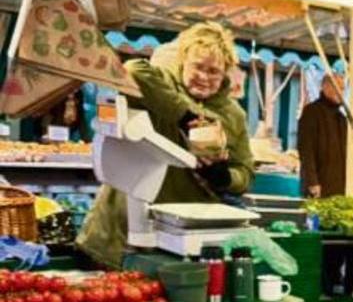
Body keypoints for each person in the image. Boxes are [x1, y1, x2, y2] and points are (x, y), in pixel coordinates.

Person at [77, 22, 253, 268]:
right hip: (121, 230)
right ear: (183, 62)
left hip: (179, 237)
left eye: (213, 71)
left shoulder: (233, 115)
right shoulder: (161, 84)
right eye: (197, 67)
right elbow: (133, 70)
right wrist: (185, 116)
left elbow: (244, 173)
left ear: (225, 73)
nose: (204, 77)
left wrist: (223, 178)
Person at [298, 72, 348, 198]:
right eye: (337, 87)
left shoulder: (342, 118)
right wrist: (312, 182)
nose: (340, 92)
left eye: (342, 88)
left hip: (339, 187)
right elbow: (306, 150)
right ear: (325, 87)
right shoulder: (311, 112)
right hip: (318, 186)